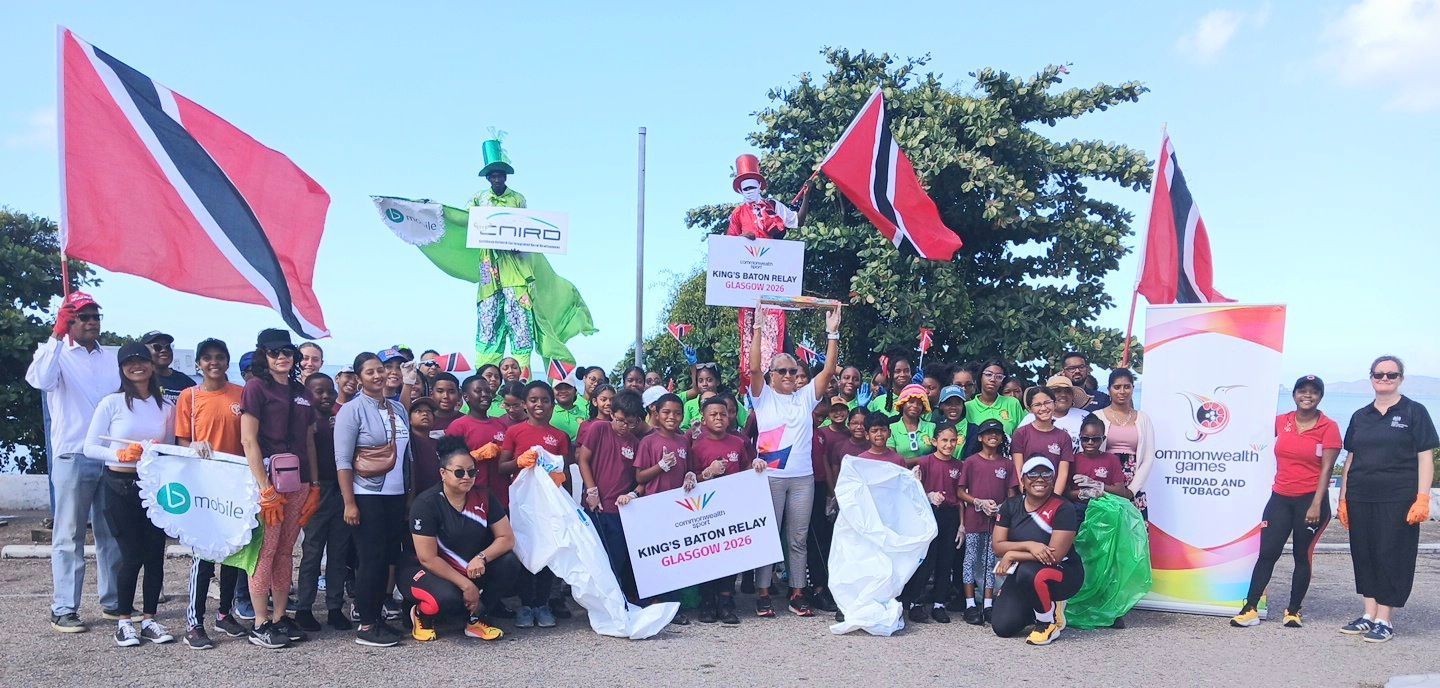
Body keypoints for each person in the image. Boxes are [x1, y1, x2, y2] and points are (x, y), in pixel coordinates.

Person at [26, 291, 121, 633]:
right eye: (84, 316)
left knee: (111, 534)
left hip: (107, 454)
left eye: (96, 315)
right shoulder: (54, 354)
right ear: (69, 321)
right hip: (73, 454)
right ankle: (64, 607)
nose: (92, 321)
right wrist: (55, 335)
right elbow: (39, 381)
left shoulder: (110, 358)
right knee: (69, 534)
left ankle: (114, 602)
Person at [746, 303, 841, 618]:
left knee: (797, 538)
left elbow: (828, 370)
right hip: (770, 477)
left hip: (803, 479)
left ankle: (797, 592)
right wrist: (758, 328)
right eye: (782, 371)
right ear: (772, 376)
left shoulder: (805, 398)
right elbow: (754, 367)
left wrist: (833, 332)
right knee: (768, 537)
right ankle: (763, 593)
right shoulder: (762, 396)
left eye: (793, 371)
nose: (788, 375)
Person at [1337, 356, 1437, 643]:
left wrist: (1422, 497)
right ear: (1371, 378)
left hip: (1398, 498)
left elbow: (1425, 457)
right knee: (1364, 554)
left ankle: (1385, 619)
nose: (1384, 379)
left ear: (1400, 379)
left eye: (1391, 375)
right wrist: (1343, 499)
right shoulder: (1360, 416)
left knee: (1390, 555)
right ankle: (1368, 615)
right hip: (1360, 496)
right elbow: (1351, 458)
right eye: (1378, 375)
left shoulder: (1414, 412)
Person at [84, 342, 176, 646]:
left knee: (154, 554)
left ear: (151, 365)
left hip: (152, 486)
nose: (137, 366)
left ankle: (150, 619)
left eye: (142, 361)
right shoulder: (111, 403)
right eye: (129, 362)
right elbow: (90, 447)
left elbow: (171, 447)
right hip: (119, 485)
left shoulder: (165, 407)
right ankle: (124, 620)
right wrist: (120, 454)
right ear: (121, 368)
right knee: (131, 554)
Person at [1231, 376, 1340, 630]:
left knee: (1302, 556)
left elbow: (1327, 469)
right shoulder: (1282, 422)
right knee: (1268, 553)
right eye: (1302, 391)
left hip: (1311, 502)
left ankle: (1293, 610)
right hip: (1280, 498)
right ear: (1294, 395)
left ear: (1320, 397)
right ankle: (1250, 609)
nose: (1307, 396)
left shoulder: (1328, 427)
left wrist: (1316, 503)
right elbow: (1253, 436)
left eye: (1314, 392)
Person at [240, 329, 321, 649]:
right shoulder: (256, 388)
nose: (282, 357)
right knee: (265, 550)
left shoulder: (302, 392)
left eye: (287, 351)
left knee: (287, 550)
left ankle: (279, 617)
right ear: (264, 355)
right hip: (270, 482)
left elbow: (309, 440)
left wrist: (314, 484)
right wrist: (264, 487)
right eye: (275, 352)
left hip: (298, 480)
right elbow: (249, 440)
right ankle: (260, 621)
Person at [403, 437, 519, 643]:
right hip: (425, 569)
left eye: (471, 472)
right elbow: (427, 558)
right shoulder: (426, 503)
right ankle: (421, 615)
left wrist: (482, 557)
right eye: (459, 472)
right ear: (442, 473)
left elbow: (506, 538)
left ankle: (476, 619)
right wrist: (467, 586)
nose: (466, 477)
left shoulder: (484, 497)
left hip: (468, 565)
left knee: (509, 562)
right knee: (447, 600)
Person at [176, 338, 249, 648]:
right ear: (198, 364)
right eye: (207, 358)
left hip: (236, 485)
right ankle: (194, 623)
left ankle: (223, 613)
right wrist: (193, 447)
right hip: (204, 488)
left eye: (220, 357)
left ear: (227, 361)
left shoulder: (241, 395)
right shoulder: (189, 397)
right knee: (203, 556)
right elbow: (180, 442)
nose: (213, 362)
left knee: (233, 553)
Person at [335, 351, 413, 648]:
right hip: (367, 494)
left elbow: (408, 455)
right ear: (359, 378)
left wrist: (408, 493)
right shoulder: (351, 411)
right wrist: (349, 502)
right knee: (371, 560)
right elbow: (342, 459)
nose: (378, 375)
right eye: (370, 372)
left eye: (380, 370)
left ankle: (378, 618)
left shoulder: (397, 408)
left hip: (394, 495)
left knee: (386, 559)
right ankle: (367, 624)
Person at [498, 380, 572, 627]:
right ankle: (525, 606)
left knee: (547, 552)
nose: (539, 404)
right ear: (525, 404)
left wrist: (565, 499)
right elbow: (502, 467)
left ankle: (542, 604)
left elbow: (566, 474)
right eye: (533, 400)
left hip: (549, 505)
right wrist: (520, 461)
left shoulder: (559, 436)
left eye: (545, 400)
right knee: (524, 553)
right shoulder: (514, 432)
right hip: (523, 505)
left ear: (552, 405)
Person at [990, 457, 1084, 645]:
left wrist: (1013, 554)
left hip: (1063, 572)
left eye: (1046, 474)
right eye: (1032, 474)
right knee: (1003, 627)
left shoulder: (1063, 507)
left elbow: (1055, 556)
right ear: (1023, 480)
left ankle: (1046, 624)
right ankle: (1042, 606)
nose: (1039, 479)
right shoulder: (1011, 505)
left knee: (1029, 572)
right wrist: (1029, 545)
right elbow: (998, 545)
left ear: (1053, 479)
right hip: (1025, 574)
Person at [293, 371, 353, 633]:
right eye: (319, 391)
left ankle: (334, 607)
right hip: (316, 491)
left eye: (330, 390)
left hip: (342, 490)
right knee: (313, 551)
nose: (326, 396)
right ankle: (304, 607)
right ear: (308, 395)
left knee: (339, 551)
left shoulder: (340, 419)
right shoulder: (304, 421)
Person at [578, 389, 644, 602]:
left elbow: (635, 478)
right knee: (595, 557)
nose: (624, 426)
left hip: (619, 510)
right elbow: (583, 460)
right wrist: (591, 491)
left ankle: (616, 600)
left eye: (630, 423)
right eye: (620, 420)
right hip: (595, 506)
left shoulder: (635, 443)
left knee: (616, 558)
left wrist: (632, 495)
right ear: (612, 414)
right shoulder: (599, 429)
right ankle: (596, 602)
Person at [902, 423, 964, 624]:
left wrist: (962, 525)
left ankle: (939, 603)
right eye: (944, 440)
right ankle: (915, 602)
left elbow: (961, 498)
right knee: (926, 559)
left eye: (952, 440)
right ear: (934, 441)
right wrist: (927, 494)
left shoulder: (959, 465)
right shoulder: (926, 462)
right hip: (929, 514)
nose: (948, 444)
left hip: (951, 516)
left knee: (946, 560)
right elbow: (912, 487)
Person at [957, 419, 1016, 625]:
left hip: (996, 521)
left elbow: (1011, 494)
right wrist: (978, 502)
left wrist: (1001, 508)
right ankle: (970, 604)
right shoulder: (971, 461)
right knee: (970, 559)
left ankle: (989, 604)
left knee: (991, 560)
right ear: (980, 437)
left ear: (1002, 438)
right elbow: (960, 492)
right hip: (974, 519)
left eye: (997, 433)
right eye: (988, 433)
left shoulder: (1007, 464)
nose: (993, 436)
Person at [1097, 368, 1155, 516]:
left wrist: (1132, 490)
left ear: (1132, 388)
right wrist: (1101, 485)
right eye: (1117, 387)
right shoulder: (1097, 417)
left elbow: (1148, 458)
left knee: (1133, 533)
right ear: (1109, 390)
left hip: (1133, 481)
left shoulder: (1143, 418)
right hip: (1104, 480)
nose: (1122, 391)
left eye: (1127, 386)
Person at [1011, 386, 1074, 496]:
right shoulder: (1021, 434)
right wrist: (1027, 496)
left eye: (1047, 403)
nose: (1044, 408)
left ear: (1054, 404)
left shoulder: (1064, 437)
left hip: (1054, 497)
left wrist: (1054, 500)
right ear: (1030, 409)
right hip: (1027, 497)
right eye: (1037, 405)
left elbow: (1063, 473)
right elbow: (1018, 470)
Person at [1067, 413, 1132, 507]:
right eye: (1085, 439)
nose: (1090, 443)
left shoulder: (1111, 459)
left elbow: (1120, 492)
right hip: (1078, 506)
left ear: (1103, 439)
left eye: (1096, 439)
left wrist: (1096, 485)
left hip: (1104, 507)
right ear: (1079, 437)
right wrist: (1084, 493)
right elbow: (1065, 493)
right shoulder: (1073, 459)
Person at [1020, 375, 1086, 450]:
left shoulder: (1085, 417)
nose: (1063, 395)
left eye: (1067, 391)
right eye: (1057, 391)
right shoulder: (1032, 418)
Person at [967, 360, 1024, 436]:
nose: (993, 379)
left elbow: (1022, 436)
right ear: (980, 377)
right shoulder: (967, 407)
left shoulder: (1013, 403)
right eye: (988, 374)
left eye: (999, 377)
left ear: (1002, 383)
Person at [141, 331, 195, 404]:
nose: (164, 350)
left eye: (167, 347)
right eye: (157, 347)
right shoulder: (141, 381)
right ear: (144, 351)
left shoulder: (186, 382)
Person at [886, 384, 936, 461]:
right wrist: (920, 460)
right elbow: (893, 460)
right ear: (902, 403)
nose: (915, 406)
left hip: (928, 471)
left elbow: (938, 455)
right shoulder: (892, 428)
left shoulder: (932, 427)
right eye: (911, 402)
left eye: (919, 403)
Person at [408, 397, 442, 494]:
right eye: (418, 411)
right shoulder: (407, 442)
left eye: (429, 411)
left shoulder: (439, 444)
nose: (425, 414)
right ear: (409, 419)